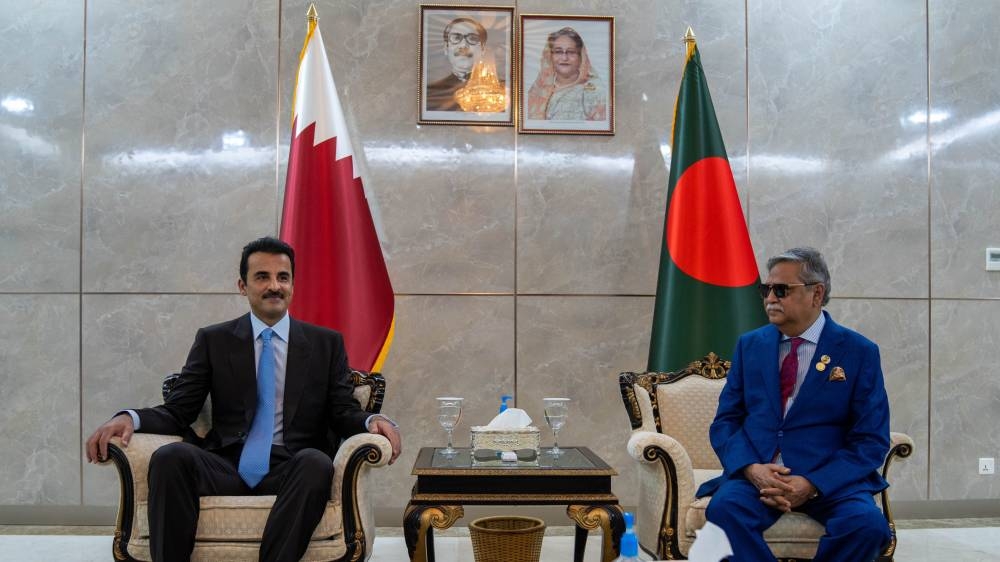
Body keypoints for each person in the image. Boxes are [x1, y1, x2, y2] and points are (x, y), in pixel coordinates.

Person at [85, 236, 402, 562]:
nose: (274, 286)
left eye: (283, 277)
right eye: (262, 277)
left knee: (316, 463)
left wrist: (372, 420)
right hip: (227, 465)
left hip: (292, 468)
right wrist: (128, 418)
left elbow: (342, 411)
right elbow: (179, 410)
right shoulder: (214, 340)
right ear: (243, 285)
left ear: (293, 284)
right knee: (170, 457)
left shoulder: (326, 344)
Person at [697, 247, 891, 561]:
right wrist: (752, 469)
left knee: (867, 526)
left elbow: (871, 439)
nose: (770, 297)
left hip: (829, 479)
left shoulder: (858, 351)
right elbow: (726, 422)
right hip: (759, 474)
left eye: (782, 289)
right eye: (766, 289)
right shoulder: (750, 345)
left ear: (817, 294)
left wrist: (813, 483)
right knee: (724, 512)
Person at [526, 27, 607, 121]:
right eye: (558, 52)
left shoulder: (595, 90)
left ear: (581, 56)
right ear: (550, 56)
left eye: (571, 52)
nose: (564, 58)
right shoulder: (539, 88)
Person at [425, 17, 488, 111]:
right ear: (446, 48)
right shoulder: (429, 93)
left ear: (483, 49)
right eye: (456, 38)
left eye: (472, 38)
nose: (463, 45)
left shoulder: (502, 92)